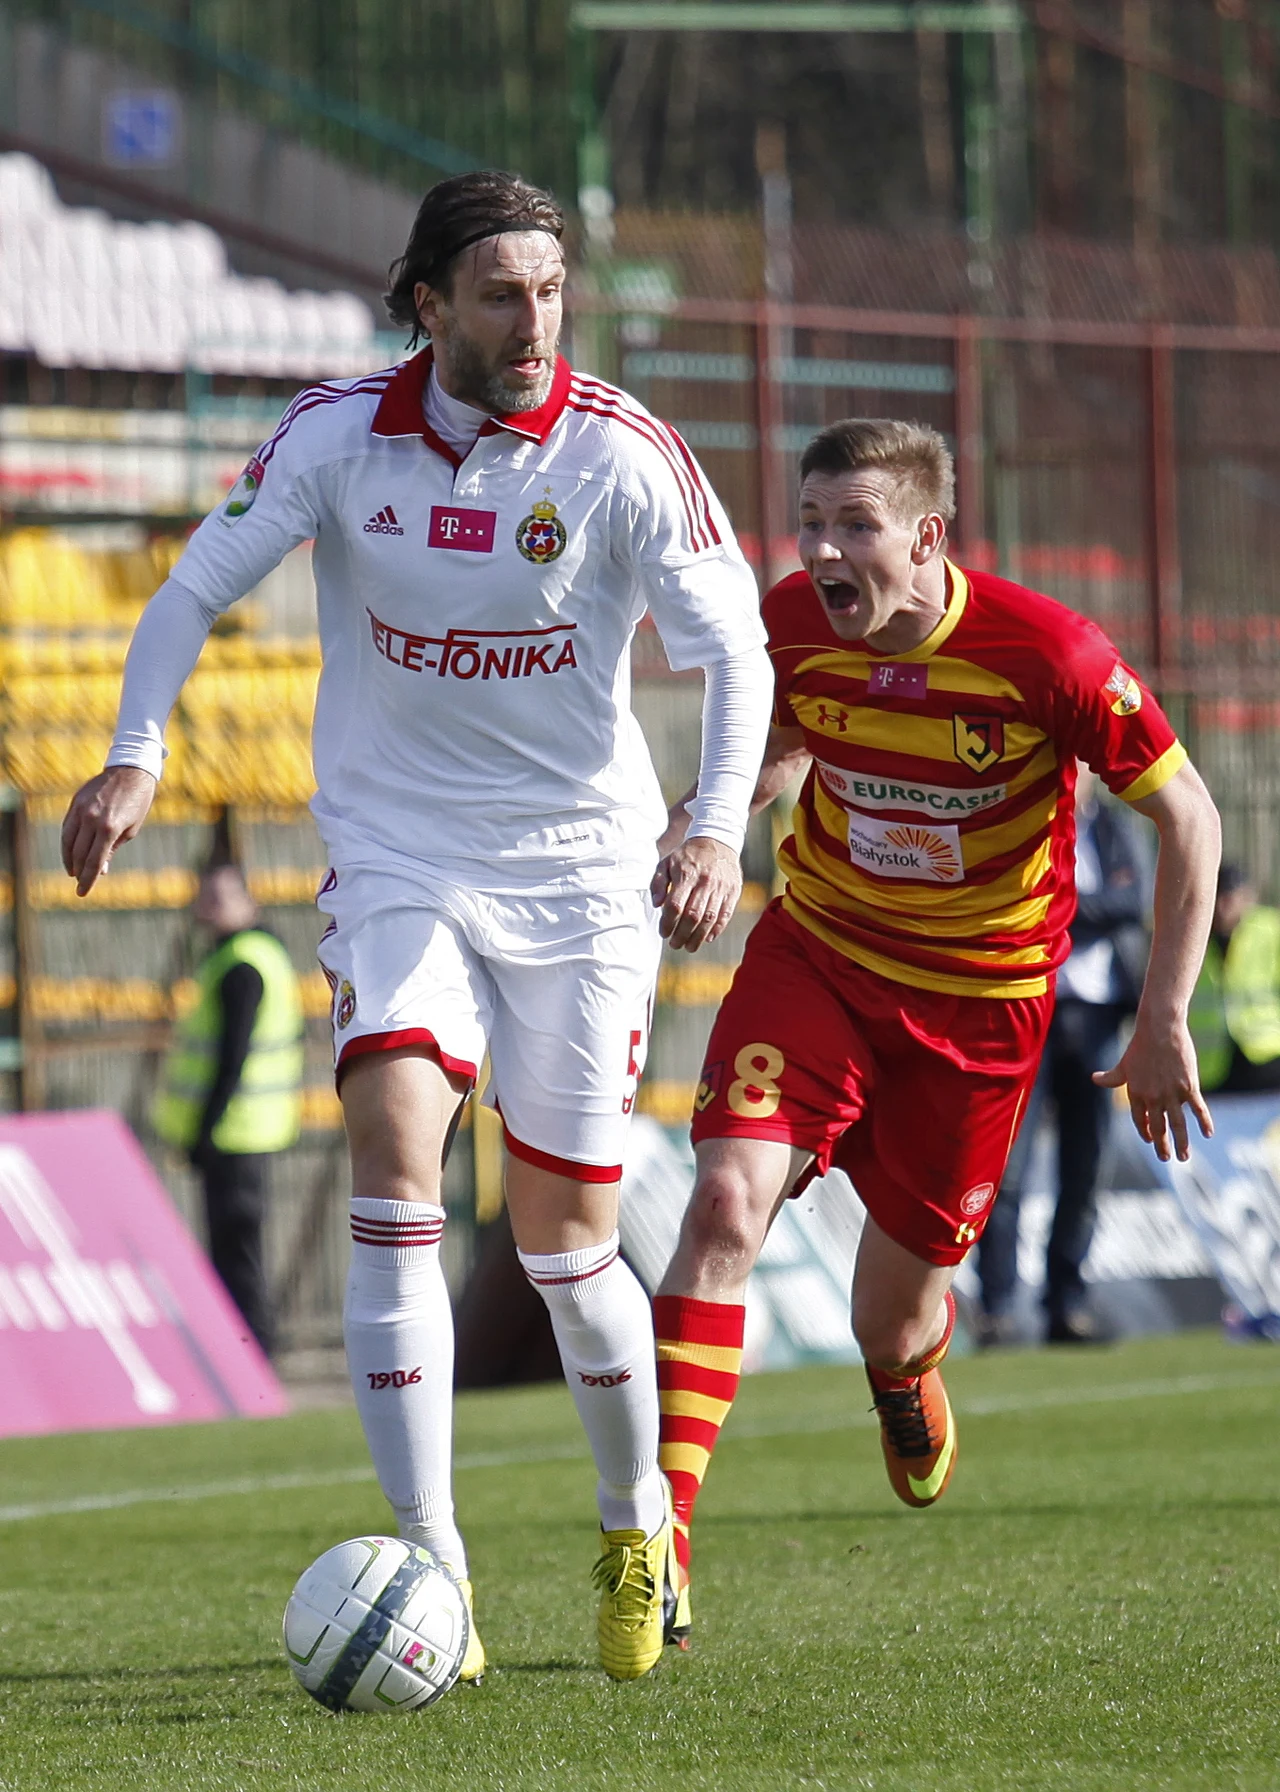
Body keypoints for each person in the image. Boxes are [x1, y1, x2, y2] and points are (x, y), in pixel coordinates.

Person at [59, 170, 773, 1684]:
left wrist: (712, 823)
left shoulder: (619, 452)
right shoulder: (333, 437)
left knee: (566, 1244)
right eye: (503, 294)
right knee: (395, 1150)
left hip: (583, 879)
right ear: (429, 305)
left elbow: (737, 652)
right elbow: (191, 591)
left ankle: (636, 1512)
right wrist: (135, 749)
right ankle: (432, 1559)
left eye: (552, 291)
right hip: (397, 856)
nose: (536, 322)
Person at [652, 417, 1221, 1650]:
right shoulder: (791, 619)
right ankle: (659, 1542)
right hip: (820, 959)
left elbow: (1188, 817)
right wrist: (704, 823)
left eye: (853, 525)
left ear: (924, 535)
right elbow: (784, 743)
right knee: (719, 1208)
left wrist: (1160, 1018)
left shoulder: (1046, 653)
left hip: (975, 1012)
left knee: (887, 1320)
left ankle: (904, 1381)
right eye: (809, 522)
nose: (821, 551)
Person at [975, 765, 1150, 1345]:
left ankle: (1065, 1305)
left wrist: (1065, 906)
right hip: (1030, 1013)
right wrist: (1079, 907)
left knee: (1085, 1166)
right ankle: (996, 1307)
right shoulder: (1023, 828)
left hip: (1096, 1016)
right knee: (1007, 1168)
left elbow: (1131, 901)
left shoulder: (1112, 827)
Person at [152, 859, 303, 1357]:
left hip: (235, 1133)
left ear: (248, 902)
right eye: (206, 896)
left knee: (236, 1255)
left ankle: (254, 1353)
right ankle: (250, 1351)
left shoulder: (242, 963)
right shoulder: (252, 955)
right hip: (247, 1131)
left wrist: (204, 1131)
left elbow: (230, 1057)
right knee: (237, 1253)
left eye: (221, 897)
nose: (210, 907)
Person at [1189, 863, 1280, 1094]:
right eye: (1215, 899)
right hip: (1211, 1065)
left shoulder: (1269, 929)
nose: (1221, 908)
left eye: (1229, 899)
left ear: (1247, 897)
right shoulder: (1192, 934)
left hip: (1266, 1055)